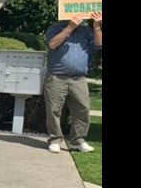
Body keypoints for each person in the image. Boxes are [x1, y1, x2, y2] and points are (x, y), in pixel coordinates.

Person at [43, 11, 102, 153]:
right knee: (54, 110)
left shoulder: (87, 31)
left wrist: (97, 26)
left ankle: (78, 141)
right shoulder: (56, 28)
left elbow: (99, 45)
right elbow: (52, 44)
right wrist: (69, 27)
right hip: (56, 77)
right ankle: (55, 140)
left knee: (82, 109)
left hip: (79, 78)